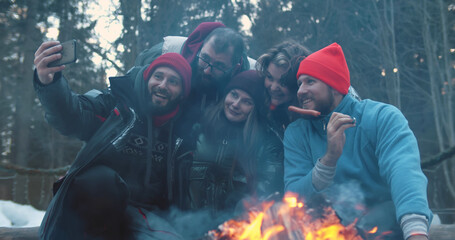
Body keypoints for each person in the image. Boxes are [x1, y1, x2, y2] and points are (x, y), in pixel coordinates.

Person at [34, 41, 192, 239]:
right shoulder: (116, 105)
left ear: (182, 93)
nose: (162, 85)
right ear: (147, 77)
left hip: (147, 217)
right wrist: (49, 83)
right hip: (95, 206)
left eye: (173, 81)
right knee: (100, 180)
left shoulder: (181, 133)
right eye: (158, 76)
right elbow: (70, 116)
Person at [283, 43, 432, 240]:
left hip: (384, 228)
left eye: (310, 82)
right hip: (326, 230)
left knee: (380, 214)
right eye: (300, 83)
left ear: (334, 87)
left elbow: (404, 173)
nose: (300, 91)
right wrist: (328, 161)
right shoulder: (297, 133)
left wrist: (416, 232)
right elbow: (293, 196)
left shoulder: (381, 117)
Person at [185, 70, 283, 227]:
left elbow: (267, 194)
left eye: (247, 102)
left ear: (256, 108)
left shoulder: (267, 143)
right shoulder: (200, 127)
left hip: (236, 231)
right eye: (234, 95)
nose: (236, 104)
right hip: (187, 225)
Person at [256, 41, 311, 137]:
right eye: (269, 77)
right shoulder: (257, 104)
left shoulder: (310, 120)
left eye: (283, 83)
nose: (273, 88)